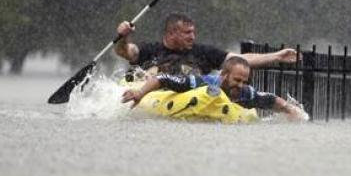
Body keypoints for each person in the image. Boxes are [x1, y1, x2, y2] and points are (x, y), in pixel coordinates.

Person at [122, 56, 306, 120]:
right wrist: (139, 93)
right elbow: (163, 79)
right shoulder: (201, 82)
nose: (240, 85)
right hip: (170, 96)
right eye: (237, 80)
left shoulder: (244, 92)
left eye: (244, 81)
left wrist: (290, 110)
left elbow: (271, 99)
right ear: (224, 76)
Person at [115, 12, 300, 76]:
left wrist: (277, 56)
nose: (193, 37)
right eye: (187, 33)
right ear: (171, 33)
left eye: (194, 32)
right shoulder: (149, 49)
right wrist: (123, 36)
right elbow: (125, 51)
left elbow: (240, 60)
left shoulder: (203, 52)